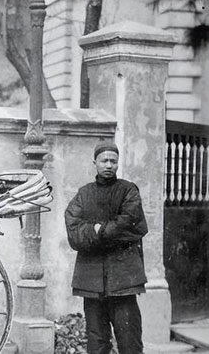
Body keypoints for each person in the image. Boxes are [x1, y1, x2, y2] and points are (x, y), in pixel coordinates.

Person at [64, 142, 148, 354]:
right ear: (95, 163)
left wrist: (96, 231)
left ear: (118, 163)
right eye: (104, 160)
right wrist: (106, 231)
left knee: (130, 342)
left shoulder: (129, 190)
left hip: (123, 278)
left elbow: (132, 223)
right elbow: (74, 231)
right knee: (97, 341)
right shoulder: (83, 194)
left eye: (113, 161)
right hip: (91, 279)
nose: (109, 165)